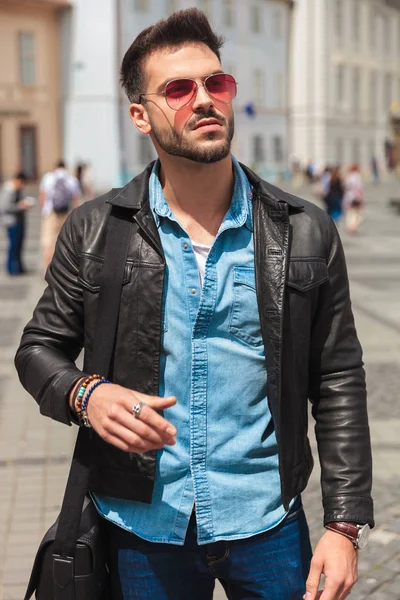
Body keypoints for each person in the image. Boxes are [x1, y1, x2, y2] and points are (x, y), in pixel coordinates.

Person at [15, 9, 373, 600]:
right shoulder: (96, 229)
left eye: (216, 83)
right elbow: (38, 350)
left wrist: (344, 524)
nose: (204, 100)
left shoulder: (304, 230)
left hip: (268, 523)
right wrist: (87, 394)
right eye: (178, 89)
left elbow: (337, 378)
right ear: (140, 115)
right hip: (143, 525)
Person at [39, 160, 80, 270]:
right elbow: (76, 200)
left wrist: (44, 211)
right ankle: (62, 271)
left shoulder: (48, 177)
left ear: (55, 167)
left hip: (50, 214)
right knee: (64, 243)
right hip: (66, 214)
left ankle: (47, 271)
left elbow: (42, 196)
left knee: (48, 243)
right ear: (65, 167)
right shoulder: (72, 179)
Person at [0, 171, 33, 275]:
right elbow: (5, 207)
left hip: (18, 221)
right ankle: (12, 269)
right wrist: (20, 206)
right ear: (18, 180)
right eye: (22, 183)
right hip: (11, 222)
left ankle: (19, 268)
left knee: (19, 245)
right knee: (13, 246)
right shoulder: (8, 189)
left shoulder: (16, 189)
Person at [344, 164, 364, 235]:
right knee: (357, 213)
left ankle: (350, 226)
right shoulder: (357, 176)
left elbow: (345, 187)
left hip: (348, 197)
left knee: (350, 213)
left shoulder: (348, 176)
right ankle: (353, 227)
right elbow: (360, 188)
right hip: (356, 197)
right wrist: (361, 198)